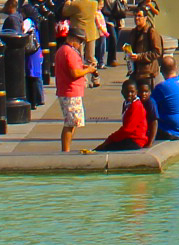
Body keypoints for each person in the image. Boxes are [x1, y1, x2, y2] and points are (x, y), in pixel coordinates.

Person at [51, 23, 92, 151]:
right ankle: (66, 151)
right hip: (70, 91)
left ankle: (66, 149)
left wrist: (82, 68)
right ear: (73, 39)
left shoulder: (62, 50)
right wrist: (88, 70)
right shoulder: (69, 52)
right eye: (79, 42)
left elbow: (71, 69)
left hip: (67, 90)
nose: (80, 45)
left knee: (73, 123)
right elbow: (74, 73)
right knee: (70, 123)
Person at [97, 77, 156, 151]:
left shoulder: (136, 106)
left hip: (136, 140)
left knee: (106, 148)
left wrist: (110, 139)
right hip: (130, 138)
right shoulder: (127, 103)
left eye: (132, 92)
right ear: (122, 92)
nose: (129, 94)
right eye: (127, 92)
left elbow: (128, 129)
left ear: (136, 92)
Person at [148, 63, 179, 141]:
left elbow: (149, 106)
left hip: (170, 131)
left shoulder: (161, 87)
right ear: (176, 67)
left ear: (161, 70)